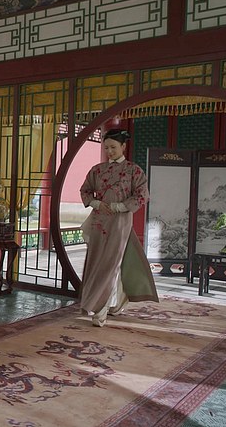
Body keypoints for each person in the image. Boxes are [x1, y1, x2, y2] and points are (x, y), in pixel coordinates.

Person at [79, 128, 158, 327]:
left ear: (123, 146)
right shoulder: (97, 170)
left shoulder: (134, 170)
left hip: (120, 221)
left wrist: (119, 206)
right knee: (98, 262)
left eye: (113, 147)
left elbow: (142, 195)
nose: (109, 151)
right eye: (106, 148)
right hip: (99, 221)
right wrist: (96, 203)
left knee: (111, 263)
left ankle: (100, 309)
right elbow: (85, 190)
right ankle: (115, 301)